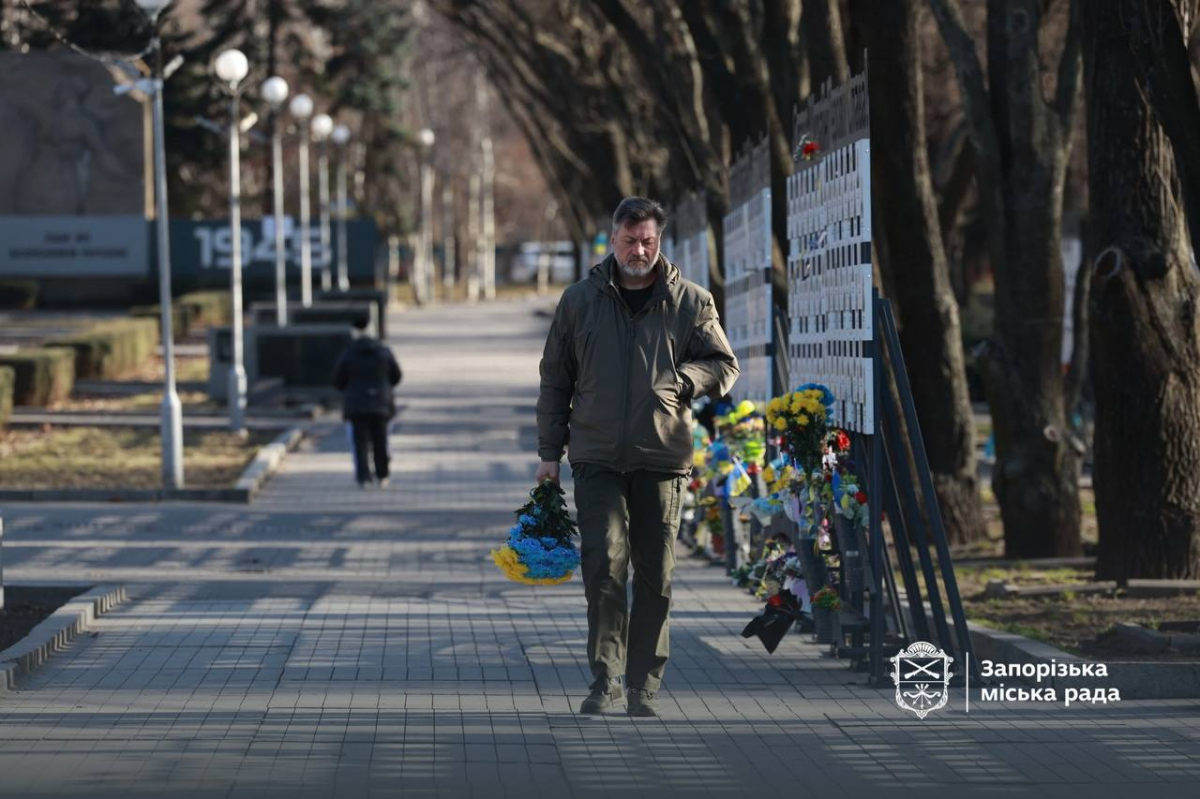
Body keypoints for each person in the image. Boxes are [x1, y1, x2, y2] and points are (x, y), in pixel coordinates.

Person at [536, 196, 739, 717]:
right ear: (613, 239)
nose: (639, 250)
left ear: (659, 240)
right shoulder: (579, 301)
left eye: (648, 241)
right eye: (629, 241)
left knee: (655, 574)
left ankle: (644, 685)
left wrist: (685, 381)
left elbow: (723, 363)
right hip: (596, 454)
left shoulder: (691, 301)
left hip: (662, 455)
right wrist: (548, 454)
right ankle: (605, 680)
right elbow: (555, 381)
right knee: (604, 566)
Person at [333, 316, 401, 488]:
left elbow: (338, 380)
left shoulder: (348, 353)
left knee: (360, 442)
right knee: (381, 440)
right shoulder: (383, 351)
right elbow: (396, 376)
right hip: (381, 402)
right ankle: (382, 475)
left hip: (357, 404)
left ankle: (363, 477)